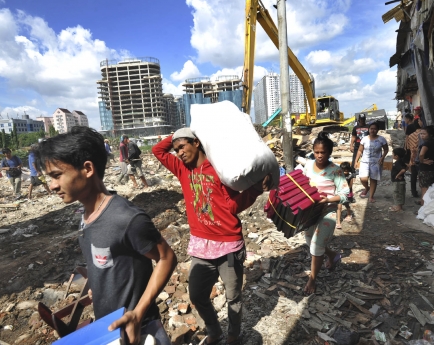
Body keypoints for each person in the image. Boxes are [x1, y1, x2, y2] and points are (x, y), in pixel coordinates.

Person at [35, 126, 177, 345]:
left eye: (57, 175)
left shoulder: (126, 218)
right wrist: (99, 286)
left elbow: (166, 258)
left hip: (138, 330)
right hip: (108, 330)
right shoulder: (86, 215)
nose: (52, 186)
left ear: (88, 169)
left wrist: (138, 314)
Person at [152, 128, 270, 345]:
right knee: (197, 295)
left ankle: (234, 335)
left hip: (228, 245)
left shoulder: (219, 168)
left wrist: (253, 192)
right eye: (176, 149)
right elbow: (157, 150)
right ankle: (215, 332)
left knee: (233, 296)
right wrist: (182, 131)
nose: (178, 152)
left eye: (182, 146)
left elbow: (233, 205)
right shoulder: (182, 169)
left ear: (196, 143)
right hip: (201, 247)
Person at [303, 132, 349, 294]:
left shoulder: (335, 171)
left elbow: (345, 194)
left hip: (328, 212)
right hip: (310, 212)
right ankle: (333, 255)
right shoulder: (307, 166)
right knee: (310, 241)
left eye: (323, 152)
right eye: (316, 152)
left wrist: (327, 200)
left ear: (329, 152)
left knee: (316, 245)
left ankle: (312, 280)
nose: (319, 155)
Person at [355, 123, 389, 203]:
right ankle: (367, 188)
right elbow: (360, 150)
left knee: (373, 179)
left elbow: (386, 149)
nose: (372, 130)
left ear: (377, 130)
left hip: (376, 162)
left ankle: (371, 196)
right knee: (363, 178)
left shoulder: (381, 139)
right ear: (368, 129)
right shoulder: (364, 139)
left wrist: (382, 157)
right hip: (364, 161)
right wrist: (356, 161)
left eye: (374, 129)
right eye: (371, 128)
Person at [418, 126, 434, 205]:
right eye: (421, 134)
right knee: (433, 188)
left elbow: (421, 154)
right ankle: (431, 205)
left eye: (424, 134)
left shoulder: (426, 144)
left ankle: (423, 207)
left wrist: (422, 161)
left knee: (424, 189)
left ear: (430, 134)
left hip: (425, 170)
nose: (422, 135)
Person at [405, 114, 421, 197]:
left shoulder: (411, 136)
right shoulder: (424, 135)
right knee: (422, 175)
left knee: (413, 175)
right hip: (423, 157)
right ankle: (424, 191)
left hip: (413, 157)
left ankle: (414, 192)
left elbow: (408, 146)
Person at [336, 162, 354, 229]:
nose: (344, 172)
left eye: (346, 170)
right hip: (339, 193)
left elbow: (350, 185)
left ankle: (349, 214)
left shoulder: (350, 176)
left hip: (347, 193)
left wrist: (346, 191)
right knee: (339, 207)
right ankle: (338, 222)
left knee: (346, 205)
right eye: (343, 170)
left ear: (349, 170)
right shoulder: (339, 175)